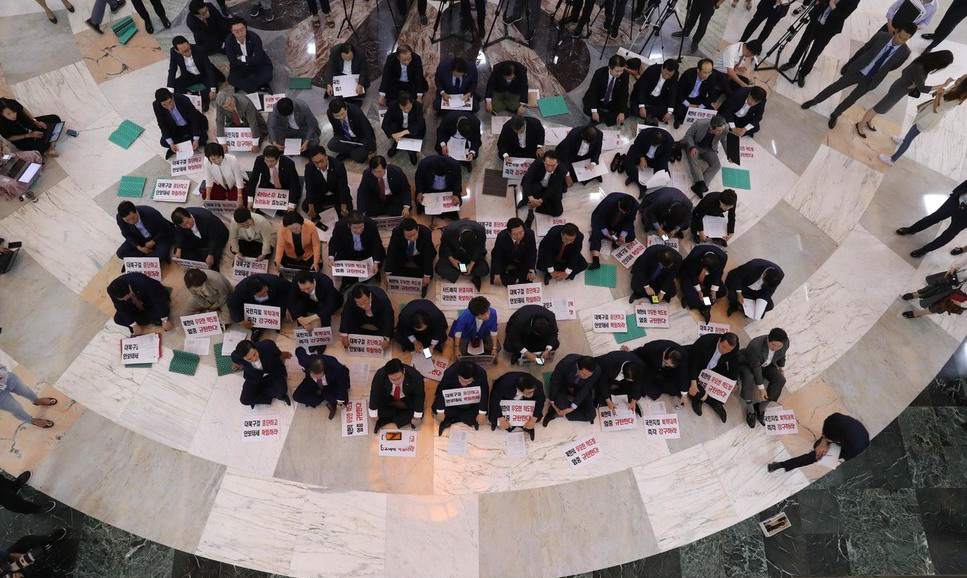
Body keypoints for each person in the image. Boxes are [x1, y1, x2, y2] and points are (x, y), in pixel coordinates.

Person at [802, 23, 916, 129]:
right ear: (896, 31)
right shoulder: (881, 36)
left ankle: (836, 114)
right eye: (900, 36)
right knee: (836, 86)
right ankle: (815, 100)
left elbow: (893, 66)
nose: (901, 41)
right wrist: (849, 64)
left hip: (871, 80)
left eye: (905, 39)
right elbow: (863, 50)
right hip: (858, 70)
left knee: (852, 99)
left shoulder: (905, 52)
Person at [855, 50, 954, 138]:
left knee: (882, 107)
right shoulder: (920, 68)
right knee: (879, 108)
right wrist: (943, 85)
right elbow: (922, 88)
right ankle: (861, 124)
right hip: (899, 90)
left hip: (900, 87)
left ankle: (868, 120)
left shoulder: (924, 60)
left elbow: (905, 71)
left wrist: (911, 81)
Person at [880, 75, 967, 166]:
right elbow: (943, 95)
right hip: (927, 113)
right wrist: (941, 90)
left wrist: (938, 94)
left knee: (909, 138)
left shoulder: (956, 100)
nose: (958, 79)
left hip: (929, 118)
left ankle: (892, 160)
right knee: (912, 132)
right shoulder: (955, 89)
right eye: (960, 77)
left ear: (963, 86)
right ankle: (903, 141)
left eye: (960, 79)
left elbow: (936, 109)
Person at [779, 0, 860, 87]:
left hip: (828, 29)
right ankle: (792, 62)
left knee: (815, 52)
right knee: (803, 43)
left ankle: (803, 73)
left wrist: (832, 5)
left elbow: (842, 16)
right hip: (816, 20)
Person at [768, 413, 869, 471]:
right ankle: (822, 444)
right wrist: (824, 441)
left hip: (853, 448)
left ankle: (781, 465)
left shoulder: (854, 447)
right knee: (818, 445)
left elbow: (846, 457)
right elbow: (827, 427)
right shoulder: (834, 419)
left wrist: (828, 454)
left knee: (815, 456)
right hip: (850, 435)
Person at [897, 180, 967, 257]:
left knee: (949, 234)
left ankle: (925, 250)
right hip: (957, 200)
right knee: (934, 217)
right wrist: (956, 192)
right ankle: (911, 230)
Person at [737, 328, 788, 428]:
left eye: (779, 346)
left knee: (780, 380)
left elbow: (782, 355)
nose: (775, 348)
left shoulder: (785, 344)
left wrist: (781, 369)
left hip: (767, 364)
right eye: (773, 345)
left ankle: (761, 407)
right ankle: (750, 409)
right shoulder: (755, 346)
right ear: (768, 339)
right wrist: (761, 389)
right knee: (749, 378)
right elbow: (756, 368)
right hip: (750, 364)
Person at [686, 332, 740, 421]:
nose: (725, 351)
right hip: (698, 364)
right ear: (719, 340)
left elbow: (733, 362)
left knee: (725, 384)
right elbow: (694, 363)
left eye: (728, 350)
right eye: (723, 347)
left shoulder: (734, 347)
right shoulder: (705, 342)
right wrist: (693, 381)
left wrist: (733, 381)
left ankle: (712, 400)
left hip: (715, 365)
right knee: (692, 384)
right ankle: (708, 401)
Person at [328, 212, 385, 289]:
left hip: (367, 251)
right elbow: (334, 241)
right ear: (349, 225)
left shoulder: (371, 224)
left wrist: (375, 262)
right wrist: (331, 257)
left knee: (380, 257)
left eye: (361, 227)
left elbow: (377, 243)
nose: (359, 231)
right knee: (346, 276)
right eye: (355, 228)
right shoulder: (339, 226)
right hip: (348, 251)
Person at [167, 37, 222, 112]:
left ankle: (196, 97)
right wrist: (170, 90)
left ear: (189, 44)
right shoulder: (173, 52)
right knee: (175, 87)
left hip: (204, 75)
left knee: (212, 90)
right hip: (188, 76)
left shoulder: (199, 49)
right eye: (185, 51)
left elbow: (209, 69)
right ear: (177, 51)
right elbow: (172, 70)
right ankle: (197, 96)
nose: (188, 53)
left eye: (188, 49)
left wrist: (213, 89)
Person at [368, 359, 425, 432]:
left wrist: (417, 417)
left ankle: (387, 419)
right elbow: (374, 393)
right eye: (393, 379)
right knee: (375, 411)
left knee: (419, 413)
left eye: (399, 378)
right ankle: (396, 417)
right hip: (388, 397)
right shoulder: (380, 374)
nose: (397, 382)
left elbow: (419, 396)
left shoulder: (415, 376)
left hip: (407, 398)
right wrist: (373, 413)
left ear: (403, 371)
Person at [433, 361, 489, 435]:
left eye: (468, 381)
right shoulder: (450, 372)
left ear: (473, 378)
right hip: (453, 398)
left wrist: (482, 413)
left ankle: (459, 418)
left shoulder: (481, 373)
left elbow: (484, 391)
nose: (464, 384)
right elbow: (442, 389)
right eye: (461, 380)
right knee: (437, 410)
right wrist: (440, 411)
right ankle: (450, 419)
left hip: (471, 400)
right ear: (458, 375)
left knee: (480, 415)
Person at [231, 339, 291, 407]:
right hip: (254, 376)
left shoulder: (268, 346)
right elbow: (234, 358)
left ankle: (261, 392)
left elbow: (278, 353)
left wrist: (284, 354)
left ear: (255, 348)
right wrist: (239, 365)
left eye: (254, 354)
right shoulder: (236, 356)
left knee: (282, 392)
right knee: (245, 400)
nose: (254, 359)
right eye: (249, 359)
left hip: (272, 372)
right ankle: (267, 396)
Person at [107, 272, 172, 334]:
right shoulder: (111, 290)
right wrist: (133, 324)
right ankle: (151, 319)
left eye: (125, 297)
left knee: (162, 309)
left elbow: (159, 300)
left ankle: (153, 319)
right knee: (118, 319)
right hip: (134, 306)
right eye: (121, 299)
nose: (124, 299)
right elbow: (120, 308)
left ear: (128, 291)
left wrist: (164, 320)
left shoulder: (142, 282)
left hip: (151, 300)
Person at [227, 273, 290, 337]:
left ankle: (275, 322)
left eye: (266, 291)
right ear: (252, 293)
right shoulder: (240, 291)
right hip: (254, 307)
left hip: (275, 300)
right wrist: (241, 321)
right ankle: (257, 328)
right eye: (262, 293)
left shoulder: (274, 281)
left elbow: (291, 289)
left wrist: (289, 306)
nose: (265, 294)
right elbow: (232, 306)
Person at [385, 218, 436, 296]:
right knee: (394, 272)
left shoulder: (426, 232)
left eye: (414, 235)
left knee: (428, 275)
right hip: (404, 253)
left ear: (417, 229)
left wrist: (427, 275)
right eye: (408, 236)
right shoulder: (396, 232)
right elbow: (391, 251)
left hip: (420, 254)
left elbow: (427, 255)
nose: (412, 239)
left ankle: (422, 286)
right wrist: (388, 272)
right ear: (403, 233)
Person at [543, 354, 599, 426]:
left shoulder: (596, 370)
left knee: (591, 415)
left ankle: (568, 413)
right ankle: (554, 412)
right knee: (560, 404)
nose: (586, 377)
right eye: (584, 374)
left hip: (580, 387)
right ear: (578, 367)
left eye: (589, 376)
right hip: (563, 384)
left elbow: (586, 388)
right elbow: (555, 381)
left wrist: (572, 407)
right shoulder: (566, 364)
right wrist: (552, 401)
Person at [153, 88, 209, 160]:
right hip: (176, 127)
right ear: (160, 104)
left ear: (172, 97)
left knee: (203, 136)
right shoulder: (156, 105)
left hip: (190, 124)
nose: (169, 107)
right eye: (164, 105)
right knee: (164, 142)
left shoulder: (183, 99)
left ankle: (186, 142)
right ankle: (185, 142)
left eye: (170, 102)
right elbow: (162, 124)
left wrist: (196, 139)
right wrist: (171, 143)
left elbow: (194, 119)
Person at [293, 347, 348, 418]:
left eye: (319, 376)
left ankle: (328, 399)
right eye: (314, 375)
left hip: (330, 383)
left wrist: (340, 400)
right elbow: (299, 350)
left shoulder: (335, 367)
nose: (317, 378)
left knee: (339, 400)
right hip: (311, 381)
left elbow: (342, 383)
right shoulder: (305, 360)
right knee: (297, 396)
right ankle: (318, 399)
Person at [679, 245, 728, 323]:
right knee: (687, 286)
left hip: (710, 275)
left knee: (722, 292)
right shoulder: (696, 253)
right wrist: (698, 290)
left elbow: (718, 273)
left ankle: (697, 302)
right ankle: (704, 306)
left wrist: (713, 290)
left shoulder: (723, 257)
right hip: (692, 271)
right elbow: (692, 273)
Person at [901, 261, 967, 319]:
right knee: (935, 286)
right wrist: (957, 266)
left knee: (940, 306)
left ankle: (919, 313)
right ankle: (918, 294)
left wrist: (962, 302)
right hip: (960, 278)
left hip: (962, 295)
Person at [589, 192, 638, 270]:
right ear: (619, 203)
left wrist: (622, 236)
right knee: (596, 233)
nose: (623, 213)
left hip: (620, 222)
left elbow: (629, 222)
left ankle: (615, 239)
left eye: (625, 212)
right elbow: (600, 219)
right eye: (621, 211)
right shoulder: (610, 201)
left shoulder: (635, 206)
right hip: (604, 220)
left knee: (631, 236)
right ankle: (596, 260)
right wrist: (606, 233)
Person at [488, 372, 544, 438]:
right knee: (493, 418)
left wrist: (533, 419)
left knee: (538, 417)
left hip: (524, 401)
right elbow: (494, 400)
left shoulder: (538, 384)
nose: (532, 394)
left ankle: (527, 427)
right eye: (529, 392)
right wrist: (501, 419)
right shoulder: (503, 384)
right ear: (519, 389)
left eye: (532, 391)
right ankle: (506, 426)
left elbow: (541, 400)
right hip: (506, 398)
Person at [224, 18, 273, 94]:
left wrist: (243, 58)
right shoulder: (229, 42)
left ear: (246, 28)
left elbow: (258, 59)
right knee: (231, 79)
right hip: (240, 66)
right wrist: (250, 60)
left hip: (259, 64)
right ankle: (258, 86)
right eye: (236, 31)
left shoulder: (254, 38)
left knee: (268, 75)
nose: (240, 33)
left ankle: (251, 86)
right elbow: (233, 61)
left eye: (242, 29)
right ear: (232, 31)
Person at [681, 115, 727, 195]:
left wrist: (729, 154)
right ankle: (699, 182)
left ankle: (702, 185)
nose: (720, 132)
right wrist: (692, 147)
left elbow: (724, 141)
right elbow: (689, 135)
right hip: (695, 145)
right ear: (711, 127)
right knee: (693, 159)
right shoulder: (699, 124)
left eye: (721, 130)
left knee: (717, 165)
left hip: (709, 148)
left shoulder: (724, 128)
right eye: (718, 130)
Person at [436, 219, 489, 290]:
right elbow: (444, 246)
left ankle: (466, 270)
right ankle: (465, 271)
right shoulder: (449, 230)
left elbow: (480, 248)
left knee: (484, 270)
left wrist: (472, 263)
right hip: (455, 254)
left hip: (471, 255)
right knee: (439, 268)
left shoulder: (480, 230)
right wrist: (452, 260)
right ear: (459, 238)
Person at [304, 146, 352, 221]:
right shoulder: (309, 168)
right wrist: (311, 207)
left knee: (348, 209)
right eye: (316, 163)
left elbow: (343, 187)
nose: (319, 165)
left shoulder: (338, 166)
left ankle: (330, 210)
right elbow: (309, 187)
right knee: (305, 206)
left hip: (337, 193)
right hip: (321, 193)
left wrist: (343, 206)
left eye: (321, 161)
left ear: (326, 157)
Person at [246, 145, 302, 210]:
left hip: (284, 186)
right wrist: (250, 199)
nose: (269, 164)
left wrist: (291, 205)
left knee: (287, 209)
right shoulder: (259, 160)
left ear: (278, 158)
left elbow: (294, 183)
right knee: (259, 208)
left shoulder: (288, 163)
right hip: (268, 184)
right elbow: (253, 179)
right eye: (266, 160)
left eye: (272, 161)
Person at [288, 270, 343, 334]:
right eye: (302, 289)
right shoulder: (296, 281)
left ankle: (325, 331)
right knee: (299, 303)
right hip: (311, 302)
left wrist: (310, 318)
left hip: (330, 301)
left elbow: (330, 305)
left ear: (314, 281)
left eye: (308, 288)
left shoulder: (326, 282)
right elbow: (291, 299)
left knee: (324, 309)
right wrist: (300, 319)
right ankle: (303, 328)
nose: (306, 291)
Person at [623, 127, 675, 195]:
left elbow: (664, 158)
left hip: (656, 159)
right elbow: (636, 145)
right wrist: (641, 157)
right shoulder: (644, 133)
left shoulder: (669, 141)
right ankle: (634, 178)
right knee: (628, 162)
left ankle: (646, 186)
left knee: (664, 176)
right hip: (642, 153)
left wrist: (661, 171)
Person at [519, 152, 567, 225]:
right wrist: (531, 197)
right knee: (531, 190)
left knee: (557, 212)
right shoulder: (537, 163)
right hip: (537, 184)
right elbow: (527, 179)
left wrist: (540, 200)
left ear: (557, 163)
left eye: (553, 165)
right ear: (543, 161)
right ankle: (527, 201)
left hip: (551, 187)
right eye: (547, 165)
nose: (550, 168)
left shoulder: (562, 169)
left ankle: (538, 205)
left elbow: (554, 188)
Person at [583, 55, 630, 127]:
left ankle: (601, 117)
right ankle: (603, 117)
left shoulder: (625, 75)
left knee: (625, 112)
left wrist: (622, 112)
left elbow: (624, 94)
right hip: (598, 99)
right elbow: (593, 92)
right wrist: (594, 111)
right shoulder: (599, 73)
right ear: (610, 67)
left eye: (622, 70)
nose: (620, 73)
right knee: (587, 109)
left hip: (613, 101)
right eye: (617, 71)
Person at [327, 98, 377, 163]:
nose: (341, 117)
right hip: (345, 136)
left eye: (342, 114)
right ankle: (351, 151)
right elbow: (336, 129)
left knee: (359, 158)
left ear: (346, 108)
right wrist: (338, 139)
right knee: (331, 145)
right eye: (337, 116)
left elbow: (367, 130)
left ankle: (346, 152)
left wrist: (371, 150)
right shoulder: (330, 114)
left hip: (359, 138)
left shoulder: (356, 112)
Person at [490, 217, 537, 287]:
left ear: (524, 229)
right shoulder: (502, 237)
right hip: (506, 257)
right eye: (515, 234)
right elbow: (497, 255)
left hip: (521, 257)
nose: (519, 236)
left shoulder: (530, 234)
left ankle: (514, 276)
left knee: (529, 277)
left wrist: (531, 270)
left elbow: (532, 251)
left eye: (521, 232)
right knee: (495, 279)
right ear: (509, 233)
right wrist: (497, 274)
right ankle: (515, 277)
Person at [414, 154, 463, 220]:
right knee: (420, 203)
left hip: (447, 189)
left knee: (457, 203)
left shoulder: (455, 165)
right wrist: (420, 192)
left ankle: (445, 213)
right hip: (429, 188)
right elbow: (418, 179)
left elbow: (457, 181)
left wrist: (456, 194)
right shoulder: (424, 164)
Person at [381, 92, 426, 164]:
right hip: (399, 127)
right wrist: (393, 135)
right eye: (402, 108)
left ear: (412, 103)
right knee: (392, 126)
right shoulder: (393, 106)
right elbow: (385, 124)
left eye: (407, 108)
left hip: (411, 128)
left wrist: (403, 133)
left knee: (417, 129)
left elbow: (420, 124)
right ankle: (396, 144)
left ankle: (412, 151)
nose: (405, 110)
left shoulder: (418, 106)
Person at [673, 59, 719, 128]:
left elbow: (712, 96)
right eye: (705, 72)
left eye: (709, 72)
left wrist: (699, 107)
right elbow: (679, 91)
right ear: (698, 70)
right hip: (686, 97)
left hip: (699, 98)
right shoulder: (688, 74)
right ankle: (678, 119)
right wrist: (688, 105)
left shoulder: (712, 76)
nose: (707, 75)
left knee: (711, 111)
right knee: (679, 108)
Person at [596, 350, 645, 415]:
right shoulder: (609, 362)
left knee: (639, 389)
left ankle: (630, 402)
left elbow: (638, 382)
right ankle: (608, 399)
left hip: (622, 379)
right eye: (631, 379)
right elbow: (603, 382)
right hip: (604, 371)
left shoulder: (639, 365)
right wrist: (608, 400)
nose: (633, 381)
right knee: (599, 391)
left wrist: (633, 400)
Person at [631, 59, 679, 125]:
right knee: (634, 109)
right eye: (666, 73)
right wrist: (642, 106)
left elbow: (673, 92)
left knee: (669, 110)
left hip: (659, 98)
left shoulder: (675, 75)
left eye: (670, 75)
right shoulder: (652, 70)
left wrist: (670, 112)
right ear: (662, 67)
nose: (667, 76)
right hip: (646, 95)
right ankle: (652, 116)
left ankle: (650, 115)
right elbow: (642, 88)